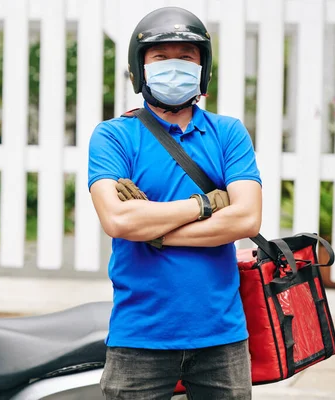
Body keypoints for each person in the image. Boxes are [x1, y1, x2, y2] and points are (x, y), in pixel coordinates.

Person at [87, 6, 263, 400]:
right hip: (139, 337)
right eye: (160, 57)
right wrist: (206, 205)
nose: (173, 66)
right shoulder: (114, 136)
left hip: (222, 336)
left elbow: (247, 218)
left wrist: (157, 231)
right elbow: (117, 221)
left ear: (203, 70)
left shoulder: (228, 133)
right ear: (140, 69)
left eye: (186, 57)